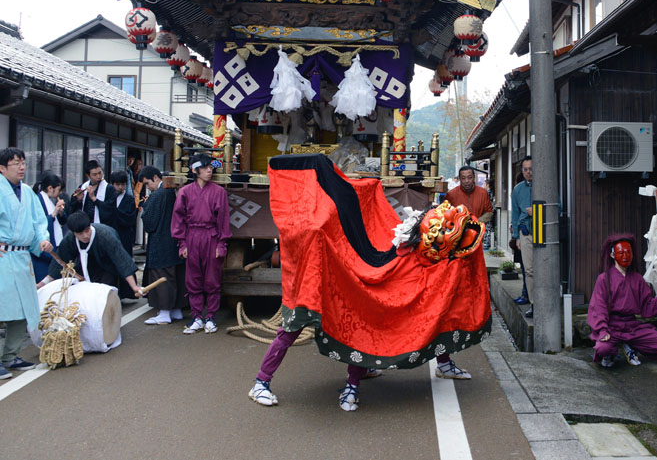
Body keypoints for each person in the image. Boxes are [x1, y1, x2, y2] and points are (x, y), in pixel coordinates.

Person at [248, 155, 489, 411]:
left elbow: (361, 191)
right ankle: (261, 382)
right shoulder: (306, 215)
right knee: (297, 327)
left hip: (352, 265)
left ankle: (426, 365)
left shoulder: (334, 193)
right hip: (316, 281)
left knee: (417, 306)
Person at [0, 148, 53, 379]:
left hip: (22, 257)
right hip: (3, 256)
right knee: (2, 308)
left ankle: (10, 356)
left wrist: (43, 239)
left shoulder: (29, 193)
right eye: (15, 163)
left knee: (22, 310)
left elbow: (39, 221)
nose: (21, 167)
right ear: (2, 168)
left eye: (23, 162)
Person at [587, 233, 657, 368]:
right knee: (602, 348)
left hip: (632, 326)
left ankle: (629, 346)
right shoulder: (604, 279)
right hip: (612, 327)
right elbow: (599, 307)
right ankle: (612, 351)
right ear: (612, 255)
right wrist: (603, 330)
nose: (625, 255)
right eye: (621, 252)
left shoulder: (637, 279)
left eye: (628, 252)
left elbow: (647, 306)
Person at [171, 153, 232, 335]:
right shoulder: (184, 192)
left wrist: (221, 245)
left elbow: (223, 221)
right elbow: (178, 220)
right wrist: (182, 244)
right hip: (192, 237)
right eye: (205, 167)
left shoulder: (219, 192)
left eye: (211, 167)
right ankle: (197, 317)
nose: (209, 170)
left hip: (211, 237)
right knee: (193, 279)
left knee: (212, 279)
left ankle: (211, 317)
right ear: (195, 170)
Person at [42, 212, 143, 301]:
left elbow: (122, 261)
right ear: (73, 233)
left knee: (104, 292)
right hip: (85, 265)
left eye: (87, 230)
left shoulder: (106, 235)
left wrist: (134, 287)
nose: (85, 236)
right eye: (80, 233)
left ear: (90, 226)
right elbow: (60, 261)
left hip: (108, 266)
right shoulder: (69, 239)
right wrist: (43, 283)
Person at [138, 165, 186, 325]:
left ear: (156, 178)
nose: (147, 187)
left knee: (162, 277)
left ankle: (164, 312)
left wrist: (144, 208)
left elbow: (149, 223)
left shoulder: (157, 195)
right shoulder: (174, 192)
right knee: (177, 276)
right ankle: (176, 310)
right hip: (177, 241)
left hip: (161, 242)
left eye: (147, 183)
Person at [30, 171, 68, 283]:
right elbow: (38, 224)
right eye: (59, 190)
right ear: (50, 188)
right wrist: (53, 214)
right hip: (42, 248)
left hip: (54, 243)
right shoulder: (38, 200)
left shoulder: (50, 200)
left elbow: (62, 220)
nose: (60, 193)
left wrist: (60, 212)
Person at [510, 156, 533, 317]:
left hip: (545, 232)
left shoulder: (546, 185)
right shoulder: (517, 189)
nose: (528, 172)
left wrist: (540, 210)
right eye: (525, 169)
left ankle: (545, 302)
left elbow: (557, 206)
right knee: (529, 270)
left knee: (542, 270)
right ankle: (533, 303)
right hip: (525, 233)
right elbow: (516, 215)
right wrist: (516, 236)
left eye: (531, 169)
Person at [71, 160, 113, 227]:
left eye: (100, 173)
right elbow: (73, 209)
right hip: (85, 225)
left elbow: (110, 209)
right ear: (88, 175)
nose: (98, 176)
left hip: (101, 226)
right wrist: (78, 200)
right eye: (94, 174)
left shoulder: (109, 188)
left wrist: (94, 199)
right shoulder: (83, 187)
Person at [106, 170, 136, 256]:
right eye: (117, 184)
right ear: (112, 184)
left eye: (123, 184)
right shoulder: (107, 197)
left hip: (124, 236)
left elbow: (130, 219)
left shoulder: (129, 199)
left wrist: (115, 211)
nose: (120, 187)